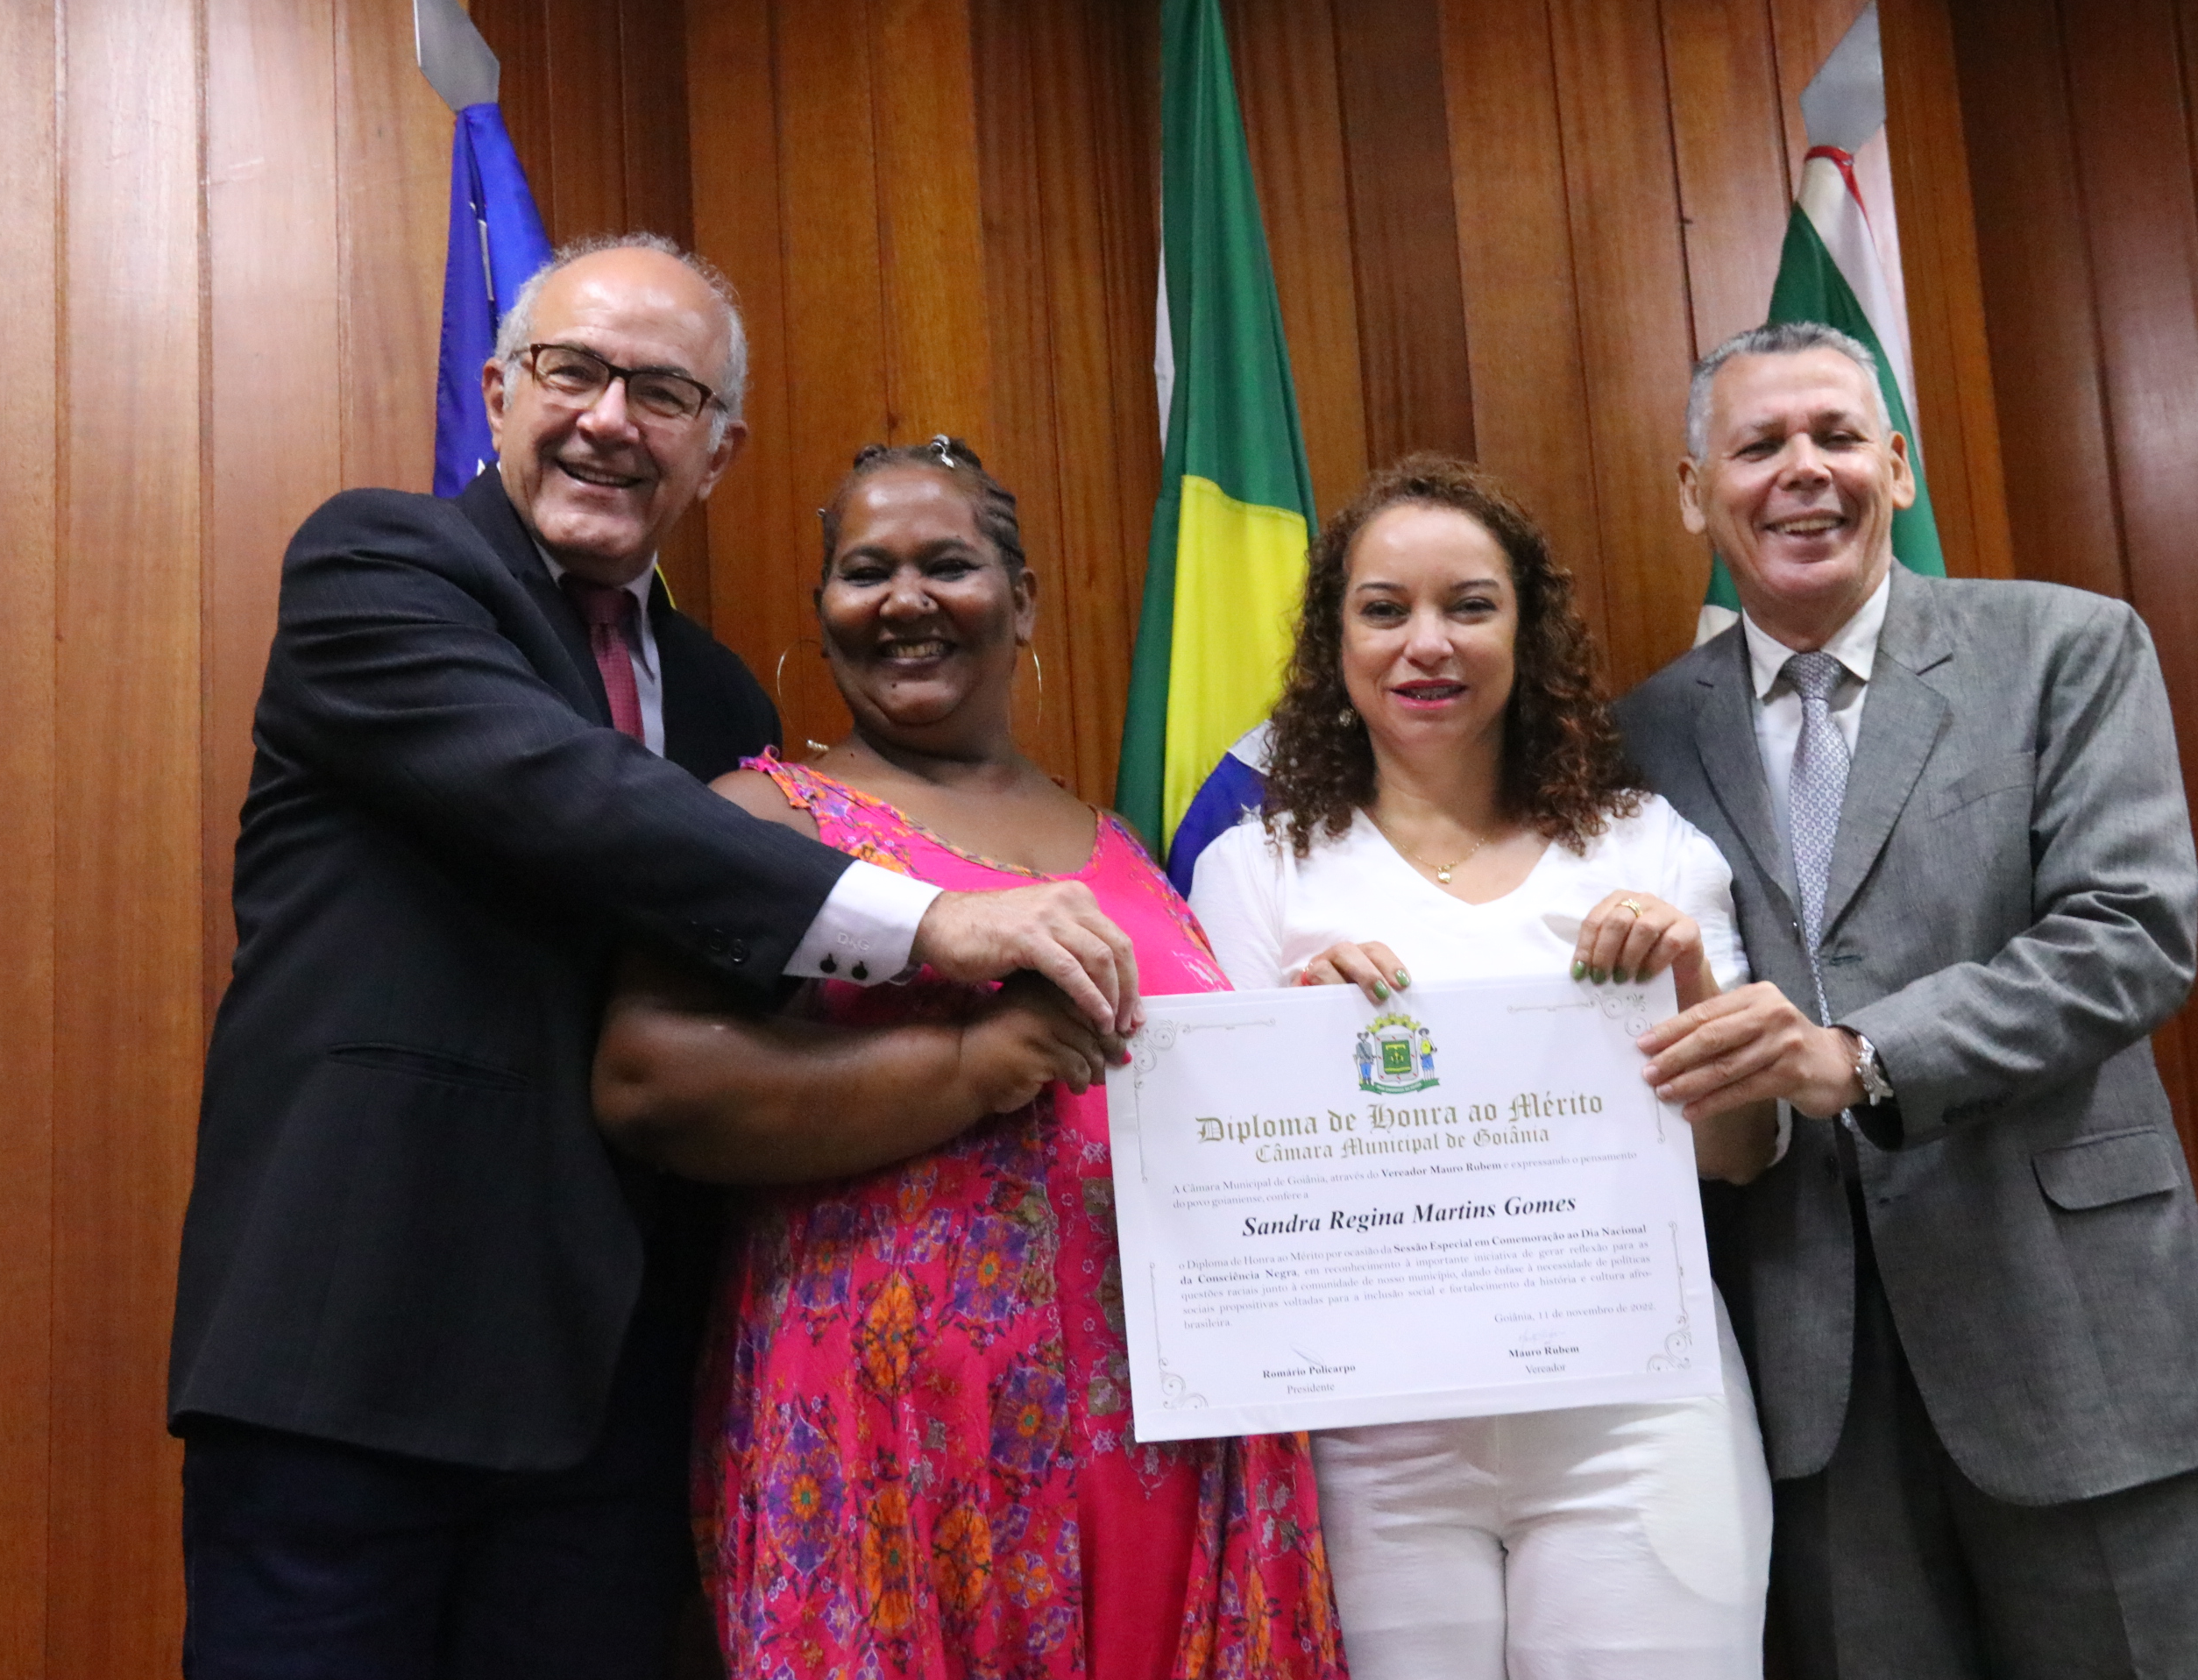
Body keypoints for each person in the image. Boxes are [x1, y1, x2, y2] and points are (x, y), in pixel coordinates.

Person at [168, 237, 1144, 1679]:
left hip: (614, 1391)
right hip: (357, 1344)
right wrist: (933, 920)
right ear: (497, 393)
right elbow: (571, 799)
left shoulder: (719, 696)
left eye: (664, 392)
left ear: (717, 450)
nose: (610, 420)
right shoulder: (380, 566)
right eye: (572, 371)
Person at [592, 436, 1347, 1680]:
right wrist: (977, 1063)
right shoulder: (764, 818)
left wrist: (1309, 1043)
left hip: (1166, 1434)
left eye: (947, 564)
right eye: (866, 573)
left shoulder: (1120, 842)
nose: (906, 600)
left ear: (1023, 599)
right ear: (824, 612)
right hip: (895, 1434)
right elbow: (650, 1084)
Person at [1618, 321, 2198, 1676]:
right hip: (1805, 1364)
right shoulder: (1640, 737)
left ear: (1896, 468)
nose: (1803, 470)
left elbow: (2131, 934)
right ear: (1694, 492)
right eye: (1760, 445)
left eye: (1837, 437)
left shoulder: (2064, 648)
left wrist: (1864, 1056)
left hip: (2067, 1328)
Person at [1185, 454, 1776, 1680]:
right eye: (1384, 609)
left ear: (1526, 630)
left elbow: (1742, 1156)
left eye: (1470, 605)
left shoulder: (1649, 846)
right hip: (1370, 1442)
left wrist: (1687, 982)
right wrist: (1294, 1054)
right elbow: (1214, 1209)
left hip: (1635, 1416)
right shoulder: (1253, 871)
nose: (1427, 644)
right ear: (1334, 641)